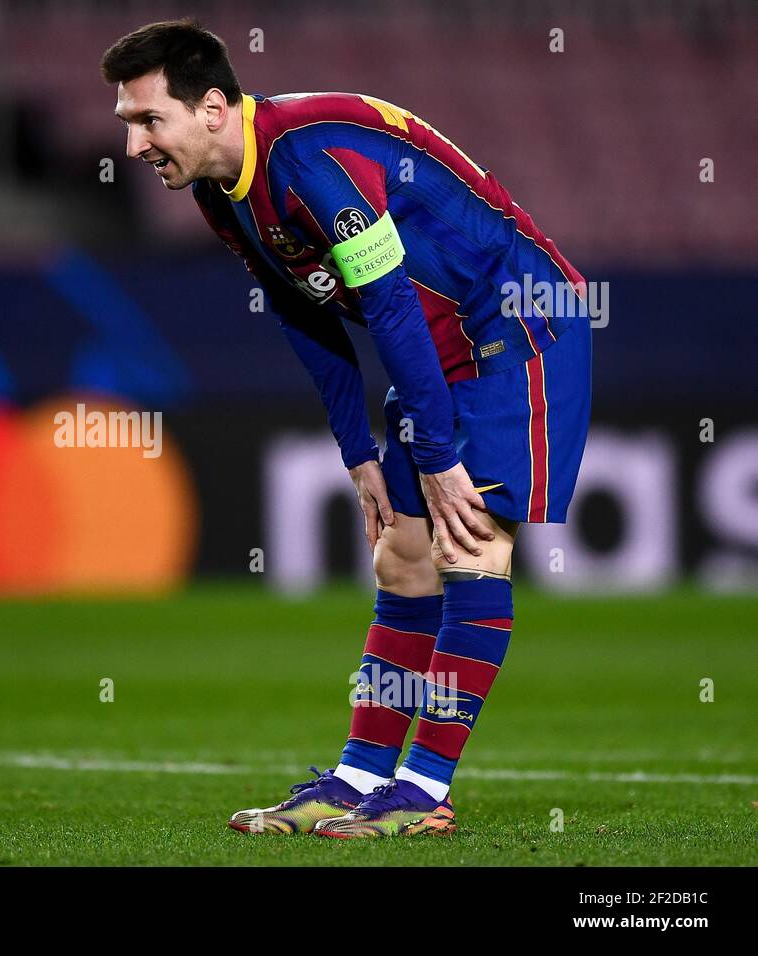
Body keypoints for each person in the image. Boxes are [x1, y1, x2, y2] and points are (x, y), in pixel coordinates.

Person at [101, 19, 592, 838]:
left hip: (516, 323)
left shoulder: (307, 155)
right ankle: (359, 777)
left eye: (147, 120)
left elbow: (390, 299)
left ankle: (425, 789)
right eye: (127, 122)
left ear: (213, 108)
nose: (134, 143)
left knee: (467, 544)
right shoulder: (222, 193)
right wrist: (357, 449)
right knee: (402, 558)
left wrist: (435, 455)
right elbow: (305, 312)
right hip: (433, 347)